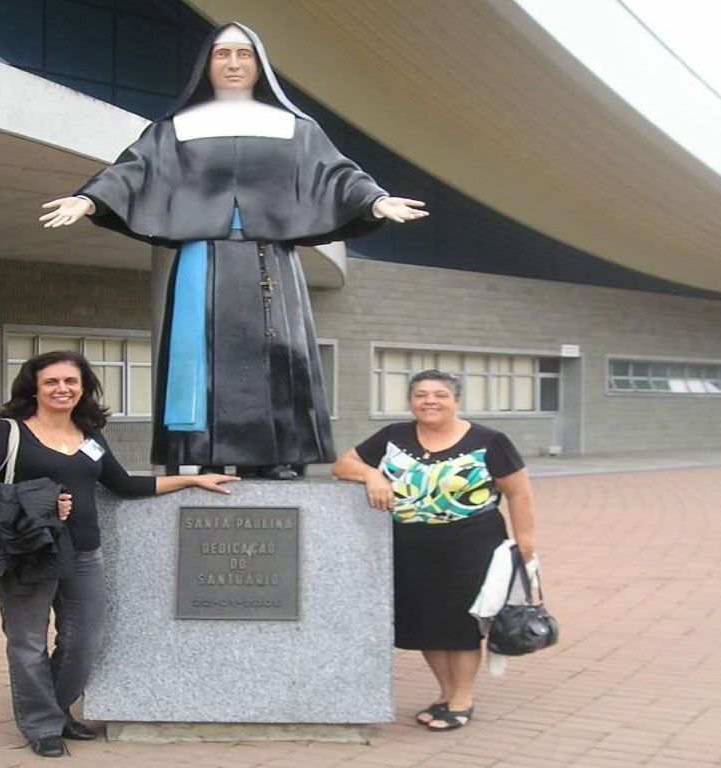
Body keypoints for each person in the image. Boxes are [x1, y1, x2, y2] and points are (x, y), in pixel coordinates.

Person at [39, 22, 428, 480]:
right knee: (198, 354)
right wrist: (90, 199)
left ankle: (278, 454)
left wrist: (374, 200)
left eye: (244, 54)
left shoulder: (294, 127)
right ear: (206, 64)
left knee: (278, 354)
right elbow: (133, 171)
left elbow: (335, 174)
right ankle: (203, 453)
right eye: (222, 54)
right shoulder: (176, 128)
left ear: (260, 65)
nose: (233, 63)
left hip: (271, 259)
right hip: (202, 259)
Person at [0, 350, 237, 758]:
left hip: (83, 552)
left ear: (83, 387)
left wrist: (192, 481)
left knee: (86, 639)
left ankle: (53, 710)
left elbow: (124, 484)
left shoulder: (89, 435)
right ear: (34, 388)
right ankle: (43, 726)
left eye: (71, 381)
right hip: (27, 551)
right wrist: (41, 501)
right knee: (28, 642)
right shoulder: (8, 432)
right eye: (51, 381)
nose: (62, 388)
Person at [332, 370, 538, 732]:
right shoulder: (393, 435)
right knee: (427, 623)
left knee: (460, 624)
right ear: (410, 401)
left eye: (440, 395)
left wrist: (525, 544)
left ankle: (462, 699)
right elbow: (343, 464)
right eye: (421, 395)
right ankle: (445, 693)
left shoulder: (490, 441)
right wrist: (372, 475)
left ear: (456, 401)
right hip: (411, 545)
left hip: (471, 544)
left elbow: (518, 493)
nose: (430, 401)